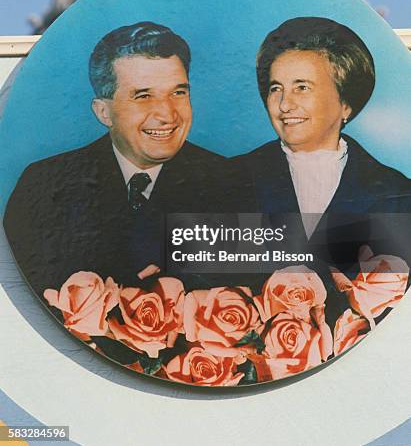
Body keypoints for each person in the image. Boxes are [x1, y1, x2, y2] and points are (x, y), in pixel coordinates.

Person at [4, 21, 242, 297]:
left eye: (178, 92)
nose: (167, 114)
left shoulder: (232, 184)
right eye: (143, 96)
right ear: (103, 112)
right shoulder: (44, 187)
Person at [234, 16, 411, 271]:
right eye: (275, 88)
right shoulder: (226, 178)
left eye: (302, 87)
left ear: (345, 103)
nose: (284, 105)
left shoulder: (398, 195)